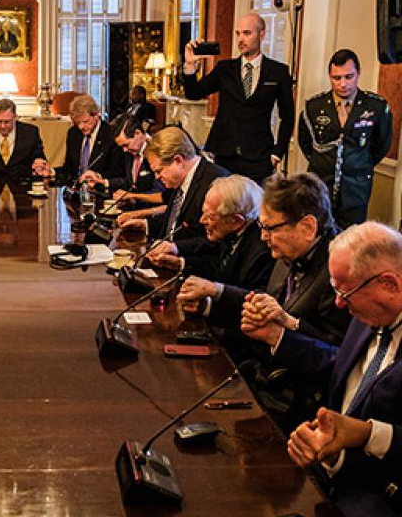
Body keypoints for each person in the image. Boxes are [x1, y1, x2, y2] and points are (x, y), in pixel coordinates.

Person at [248, 222, 402, 515]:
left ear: (389, 284)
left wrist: (367, 434)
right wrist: (275, 336)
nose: (339, 303)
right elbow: (338, 364)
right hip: (327, 470)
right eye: (335, 289)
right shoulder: (370, 310)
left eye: (346, 292)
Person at [180, 172, 351, 429]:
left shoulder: (338, 271)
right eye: (262, 227)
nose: (262, 237)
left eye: (270, 228)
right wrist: (209, 304)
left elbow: (341, 358)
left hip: (296, 406)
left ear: (307, 227)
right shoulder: (287, 252)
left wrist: (283, 332)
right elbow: (263, 304)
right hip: (259, 377)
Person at [183, 13, 294, 183]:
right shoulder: (224, 69)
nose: (241, 39)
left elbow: (287, 117)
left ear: (262, 34)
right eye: (238, 33)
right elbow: (193, 93)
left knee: (254, 208)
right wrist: (190, 65)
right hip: (224, 155)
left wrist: (277, 154)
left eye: (247, 33)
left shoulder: (278, 72)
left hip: (259, 157)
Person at [298, 49, 392, 228]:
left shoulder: (376, 106)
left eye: (349, 77)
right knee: (317, 236)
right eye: (336, 78)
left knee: (351, 242)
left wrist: (359, 162)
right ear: (329, 76)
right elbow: (307, 144)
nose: (343, 84)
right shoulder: (314, 106)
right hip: (320, 187)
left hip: (356, 189)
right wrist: (324, 161)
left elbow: (382, 145)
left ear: (359, 73)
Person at [149, 175, 273, 293]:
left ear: (236, 221)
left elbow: (246, 296)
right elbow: (215, 264)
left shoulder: (260, 253)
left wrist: (210, 297)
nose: (201, 221)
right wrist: (179, 263)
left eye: (210, 217)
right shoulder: (232, 231)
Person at [116, 126, 229, 248]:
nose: (157, 177)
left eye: (159, 171)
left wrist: (176, 249)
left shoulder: (216, 183)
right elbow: (176, 223)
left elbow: (218, 241)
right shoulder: (180, 180)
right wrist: (145, 225)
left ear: (178, 161)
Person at [86, 115, 160, 205]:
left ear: (138, 133)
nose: (124, 150)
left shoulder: (156, 152)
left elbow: (161, 194)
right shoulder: (130, 153)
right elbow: (130, 182)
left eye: (126, 145)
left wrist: (133, 196)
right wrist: (103, 181)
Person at [53, 94, 124, 185]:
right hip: (75, 191)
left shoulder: (111, 134)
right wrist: (52, 171)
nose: (81, 127)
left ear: (96, 115)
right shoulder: (73, 133)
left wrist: (97, 176)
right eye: (78, 122)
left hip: (100, 191)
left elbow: (118, 172)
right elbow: (69, 169)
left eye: (85, 121)